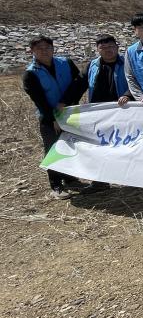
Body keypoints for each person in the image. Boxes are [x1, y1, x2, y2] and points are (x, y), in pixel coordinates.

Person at [22, 35, 85, 199]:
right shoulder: (30, 74)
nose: (44, 51)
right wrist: (53, 118)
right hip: (49, 117)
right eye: (39, 48)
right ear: (32, 51)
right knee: (53, 149)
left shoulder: (66, 63)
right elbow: (39, 100)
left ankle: (70, 178)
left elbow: (78, 84)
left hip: (70, 113)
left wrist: (67, 102)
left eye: (47, 47)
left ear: (53, 48)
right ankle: (56, 185)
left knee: (71, 145)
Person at [81, 34, 133, 194]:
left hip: (123, 112)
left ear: (117, 47)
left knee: (125, 145)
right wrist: (65, 103)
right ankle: (100, 181)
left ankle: (130, 179)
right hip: (99, 114)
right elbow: (79, 84)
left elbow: (137, 82)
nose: (108, 50)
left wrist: (127, 95)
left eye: (111, 46)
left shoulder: (128, 63)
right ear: (97, 50)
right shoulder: (92, 65)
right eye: (103, 48)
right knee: (99, 147)